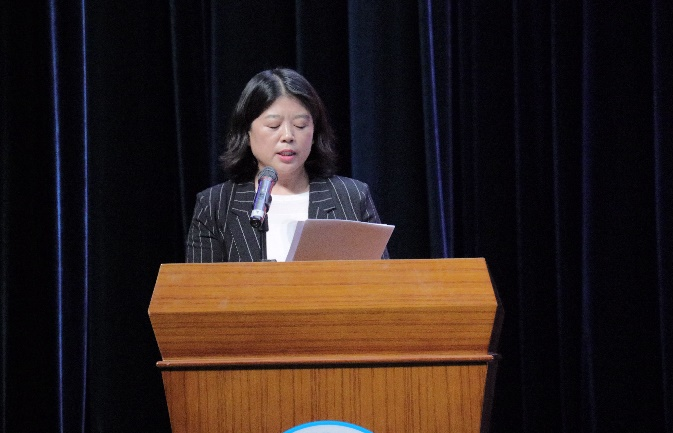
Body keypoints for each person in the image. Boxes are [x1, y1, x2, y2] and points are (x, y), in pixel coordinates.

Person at [186, 68, 388, 262]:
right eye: (273, 126)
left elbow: (383, 280)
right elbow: (199, 284)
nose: (288, 136)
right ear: (247, 133)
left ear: (315, 133)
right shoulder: (215, 205)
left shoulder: (352, 197)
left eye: (300, 125)